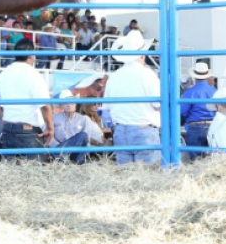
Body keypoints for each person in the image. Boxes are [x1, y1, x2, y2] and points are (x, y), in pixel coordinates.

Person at [103, 30, 161, 165]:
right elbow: (158, 105)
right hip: (144, 130)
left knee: (125, 176)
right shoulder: (148, 74)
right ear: (142, 53)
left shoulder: (114, 75)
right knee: (149, 176)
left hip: (121, 131)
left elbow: (106, 108)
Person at [0, 39, 53, 155]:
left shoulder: (5, 72)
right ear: (32, 55)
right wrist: (50, 128)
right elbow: (45, 106)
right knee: (35, 169)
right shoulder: (34, 74)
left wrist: (2, 116)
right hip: (27, 131)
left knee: (10, 168)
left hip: (7, 129)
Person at [48, 90, 104, 164]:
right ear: (61, 105)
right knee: (82, 135)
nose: (69, 105)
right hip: (60, 149)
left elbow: (86, 140)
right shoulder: (53, 118)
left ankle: (62, 158)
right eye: (65, 103)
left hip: (76, 153)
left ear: (75, 104)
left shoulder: (84, 119)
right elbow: (50, 137)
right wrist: (59, 148)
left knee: (83, 135)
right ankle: (60, 156)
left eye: (71, 102)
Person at [180, 62, 217, 161]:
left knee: (194, 161)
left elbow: (183, 112)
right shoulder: (214, 91)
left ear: (194, 77)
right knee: (211, 160)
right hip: (213, 126)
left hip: (195, 127)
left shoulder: (190, 92)